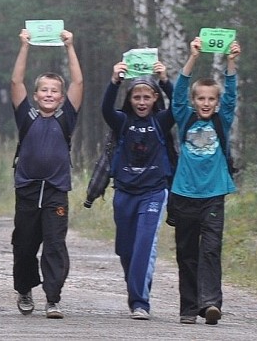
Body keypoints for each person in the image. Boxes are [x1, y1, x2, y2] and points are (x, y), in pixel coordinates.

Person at [10, 28, 83, 319]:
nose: (49, 94)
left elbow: (79, 80)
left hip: (56, 191)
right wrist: (25, 46)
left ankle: (53, 298)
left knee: (55, 246)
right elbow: (16, 80)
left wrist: (70, 46)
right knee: (24, 245)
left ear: (62, 96)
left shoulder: (67, 117)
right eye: (44, 90)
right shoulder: (25, 115)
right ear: (36, 94)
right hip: (27, 189)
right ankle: (25, 289)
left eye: (54, 91)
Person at [170, 37, 241, 326]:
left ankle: (210, 303)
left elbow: (232, 94)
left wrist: (232, 60)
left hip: (213, 195)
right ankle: (189, 308)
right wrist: (193, 57)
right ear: (194, 100)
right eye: (201, 98)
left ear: (216, 102)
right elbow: (176, 95)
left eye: (211, 99)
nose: (206, 103)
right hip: (184, 194)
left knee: (211, 250)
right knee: (187, 253)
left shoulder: (221, 119)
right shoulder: (185, 117)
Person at [101, 60, 175, 320]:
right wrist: (114, 81)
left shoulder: (161, 122)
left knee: (144, 244)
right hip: (124, 192)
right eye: (137, 97)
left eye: (147, 97)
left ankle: (140, 302)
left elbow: (179, 107)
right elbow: (105, 109)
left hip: (153, 192)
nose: (142, 102)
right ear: (130, 99)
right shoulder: (121, 122)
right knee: (126, 249)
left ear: (155, 98)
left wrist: (165, 80)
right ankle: (136, 286)